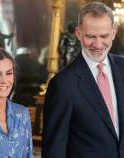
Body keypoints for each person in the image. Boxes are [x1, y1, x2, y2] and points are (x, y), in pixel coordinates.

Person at [42, 2, 124, 158]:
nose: (98, 44)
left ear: (114, 32)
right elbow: (54, 151)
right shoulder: (62, 84)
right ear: (78, 34)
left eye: (104, 36)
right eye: (91, 36)